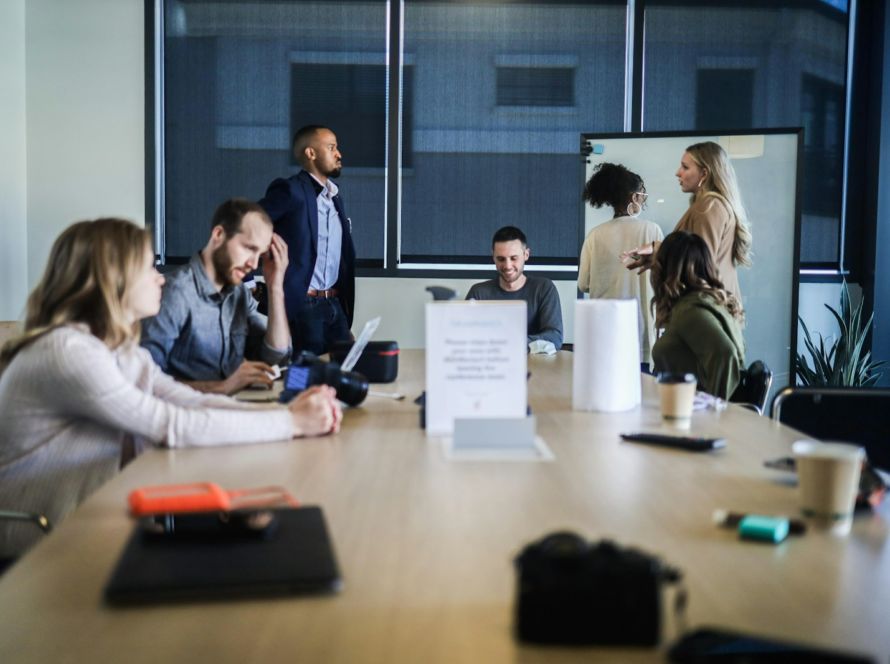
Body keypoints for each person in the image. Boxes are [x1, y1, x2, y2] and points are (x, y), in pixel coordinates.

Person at [0, 218, 342, 558]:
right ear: (112, 277)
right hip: (39, 540)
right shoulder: (68, 352)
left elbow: (188, 402)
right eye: (148, 267)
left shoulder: (115, 349)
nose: (160, 277)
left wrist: (287, 415)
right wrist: (292, 423)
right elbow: (171, 424)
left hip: (88, 516)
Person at [141, 198, 291, 395]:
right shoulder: (175, 293)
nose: (254, 265)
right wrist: (222, 387)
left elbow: (275, 356)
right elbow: (144, 381)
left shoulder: (238, 294)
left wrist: (276, 286)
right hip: (186, 416)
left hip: (227, 409)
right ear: (218, 234)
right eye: (249, 248)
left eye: (260, 255)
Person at [259, 125, 356, 355]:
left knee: (342, 373)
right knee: (304, 377)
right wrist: (253, 280)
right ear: (311, 153)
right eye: (331, 148)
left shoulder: (334, 198)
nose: (339, 154)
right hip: (304, 306)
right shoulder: (290, 190)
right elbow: (249, 224)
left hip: (334, 304)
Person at [623, 141, 752, 301]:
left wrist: (658, 249)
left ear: (704, 174)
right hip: (711, 308)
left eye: (685, 167)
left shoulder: (709, 206)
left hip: (706, 310)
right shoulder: (710, 205)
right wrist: (657, 256)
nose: (678, 173)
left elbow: (700, 263)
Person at [579, 162, 664, 369]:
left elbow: (584, 284)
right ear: (634, 197)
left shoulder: (595, 235)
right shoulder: (652, 231)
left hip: (605, 334)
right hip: (642, 336)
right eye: (642, 194)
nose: (644, 199)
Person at [649, 231, 746, 399]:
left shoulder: (690, 311)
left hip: (692, 414)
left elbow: (725, 354)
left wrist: (712, 409)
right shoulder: (706, 302)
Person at [466, 226, 563, 350]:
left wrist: (507, 343)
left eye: (514, 258)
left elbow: (554, 338)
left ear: (526, 255)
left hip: (537, 367)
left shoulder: (544, 288)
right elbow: (465, 337)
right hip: (490, 364)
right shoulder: (478, 293)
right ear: (493, 257)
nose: (507, 266)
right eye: (501, 259)